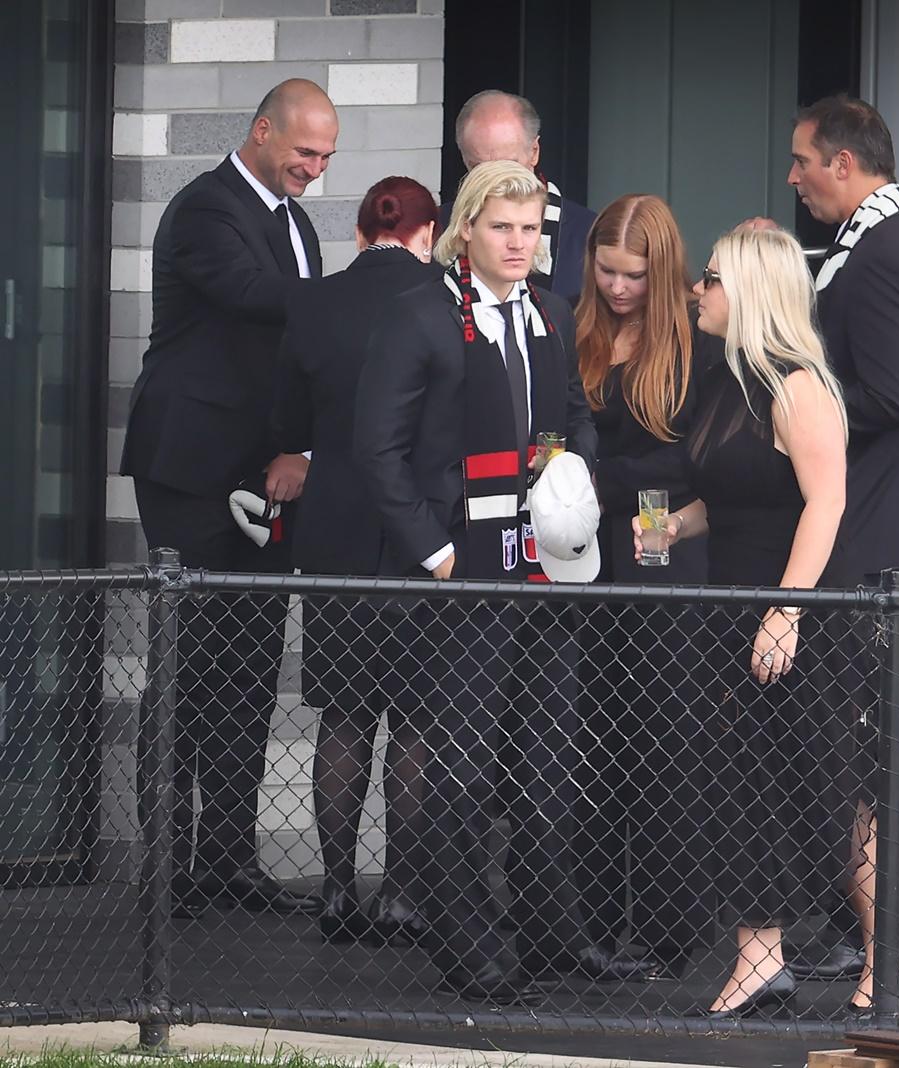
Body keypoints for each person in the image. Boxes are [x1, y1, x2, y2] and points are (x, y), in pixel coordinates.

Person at [354, 160, 648, 1005]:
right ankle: (470, 946)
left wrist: (575, 482)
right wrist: (435, 556)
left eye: (532, 230)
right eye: (503, 228)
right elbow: (376, 450)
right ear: (467, 230)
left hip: (547, 569)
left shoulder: (553, 313)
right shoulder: (416, 317)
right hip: (460, 575)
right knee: (464, 771)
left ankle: (557, 938)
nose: (520, 243)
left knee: (550, 764)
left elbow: (577, 417)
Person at [120, 78, 337, 918]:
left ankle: (228, 862)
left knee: (248, 669)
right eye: (304, 152)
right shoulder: (205, 209)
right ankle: (167, 865)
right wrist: (365, 293)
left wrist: (301, 448)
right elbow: (254, 298)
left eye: (325, 157)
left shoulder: (299, 222)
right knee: (184, 662)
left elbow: (297, 351)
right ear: (260, 131)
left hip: (266, 472)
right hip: (188, 466)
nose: (315, 170)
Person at [633, 227, 860, 1019]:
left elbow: (824, 504)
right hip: (730, 607)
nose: (699, 289)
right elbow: (728, 499)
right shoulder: (727, 381)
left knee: (824, 790)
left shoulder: (799, 386)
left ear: (753, 292)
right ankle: (759, 957)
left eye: (713, 278)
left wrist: (786, 610)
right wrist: (672, 530)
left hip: (792, 614)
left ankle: (880, 951)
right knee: (740, 788)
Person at [785, 94, 899, 1011]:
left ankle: (887, 933)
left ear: (844, 164)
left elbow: (889, 394)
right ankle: (866, 926)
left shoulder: (888, 252)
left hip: (881, 529)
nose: (794, 176)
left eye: (802, 160)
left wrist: (797, 400)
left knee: (872, 741)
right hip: (882, 521)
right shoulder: (884, 242)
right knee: (864, 738)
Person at [273, 176, 440, 946]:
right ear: (427, 232)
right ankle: (402, 892)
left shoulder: (313, 303)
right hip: (415, 534)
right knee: (412, 721)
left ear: (360, 232)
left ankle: (337, 889)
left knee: (342, 718)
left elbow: (289, 420)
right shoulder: (444, 301)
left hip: (333, 529)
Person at [572, 193, 712, 979]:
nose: (619, 287)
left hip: (662, 551)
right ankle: (588, 925)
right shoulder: (575, 329)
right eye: (607, 270)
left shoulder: (692, 344)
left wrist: (592, 478)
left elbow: (689, 463)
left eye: (634, 275)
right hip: (585, 556)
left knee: (665, 745)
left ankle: (667, 935)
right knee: (592, 744)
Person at [441, 90, 595, 301]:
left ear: (534, 151)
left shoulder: (590, 234)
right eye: (479, 168)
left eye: (510, 166)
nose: (496, 181)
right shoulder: (439, 225)